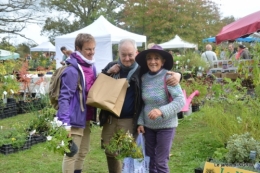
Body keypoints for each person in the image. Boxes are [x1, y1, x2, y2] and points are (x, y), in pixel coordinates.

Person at [99, 38, 181, 173]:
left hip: (130, 118)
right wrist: (108, 73)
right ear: (118, 53)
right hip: (110, 117)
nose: (126, 58)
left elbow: (160, 71)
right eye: (123, 54)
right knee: (110, 151)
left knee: (131, 153)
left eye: (130, 55)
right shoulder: (112, 66)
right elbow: (98, 84)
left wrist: (178, 75)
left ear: (136, 53)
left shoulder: (141, 69)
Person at [136, 45, 185, 173]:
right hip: (149, 127)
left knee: (160, 162)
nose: (153, 61)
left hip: (166, 126)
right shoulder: (144, 78)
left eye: (156, 58)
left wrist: (161, 111)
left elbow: (180, 101)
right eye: (149, 58)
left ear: (163, 61)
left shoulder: (169, 77)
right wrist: (141, 121)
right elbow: (143, 103)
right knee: (150, 161)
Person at [56, 33, 97, 173]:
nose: (92, 52)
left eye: (93, 48)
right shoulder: (73, 70)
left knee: (83, 151)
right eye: (88, 49)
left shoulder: (91, 67)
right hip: (74, 119)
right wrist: (65, 123)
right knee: (71, 154)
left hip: (85, 118)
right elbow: (64, 97)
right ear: (78, 48)